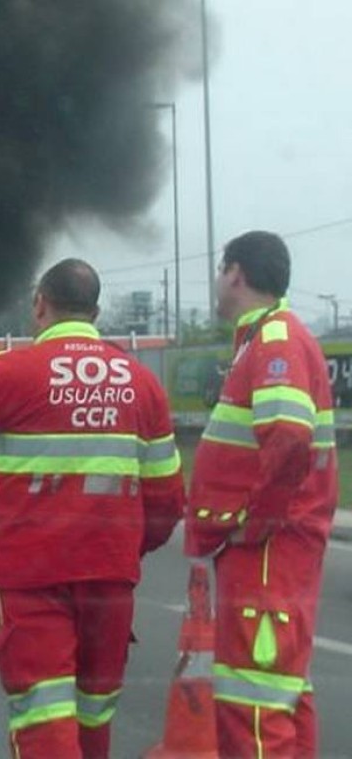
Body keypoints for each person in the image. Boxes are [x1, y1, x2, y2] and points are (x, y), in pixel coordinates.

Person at [0, 258, 184, 759]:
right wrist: (121, 548)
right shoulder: (142, 384)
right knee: (94, 714)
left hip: (33, 578)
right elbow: (167, 500)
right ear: (93, 311)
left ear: (40, 305)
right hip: (110, 578)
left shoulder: (10, 373)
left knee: (44, 718)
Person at [187, 230, 337, 758]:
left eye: (219, 270)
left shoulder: (274, 340)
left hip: (267, 550)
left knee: (253, 702)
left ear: (235, 272)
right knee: (281, 692)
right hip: (273, 548)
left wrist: (259, 520)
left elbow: (290, 434)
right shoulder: (268, 339)